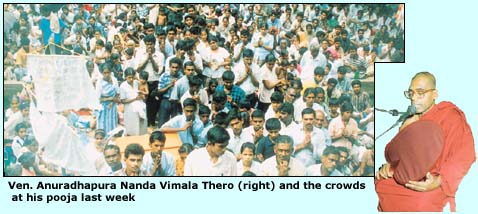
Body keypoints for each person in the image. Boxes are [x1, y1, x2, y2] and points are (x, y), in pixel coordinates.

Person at [375, 72, 475, 212]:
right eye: (411, 93)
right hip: (410, 176)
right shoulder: (410, 119)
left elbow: (464, 155)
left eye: (420, 93)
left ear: (435, 94)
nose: (414, 98)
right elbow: (401, 155)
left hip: (434, 178)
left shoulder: (449, 115)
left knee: (422, 201)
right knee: (383, 183)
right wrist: (390, 166)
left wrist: (439, 181)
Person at [120, 68, 147, 136]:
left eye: (132, 77)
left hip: (139, 102)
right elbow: (123, 101)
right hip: (129, 105)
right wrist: (135, 99)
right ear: (125, 77)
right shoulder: (123, 86)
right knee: (133, 124)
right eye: (129, 77)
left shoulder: (136, 82)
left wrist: (141, 96)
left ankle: (142, 134)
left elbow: (142, 90)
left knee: (143, 108)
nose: (131, 79)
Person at [95, 63, 119, 134]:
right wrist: (109, 99)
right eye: (104, 73)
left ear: (111, 72)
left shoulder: (114, 80)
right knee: (103, 123)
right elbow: (98, 99)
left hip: (112, 106)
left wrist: (112, 102)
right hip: (103, 106)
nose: (106, 74)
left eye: (108, 72)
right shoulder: (99, 82)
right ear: (102, 73)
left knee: (112, 122)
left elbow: (117, 93)